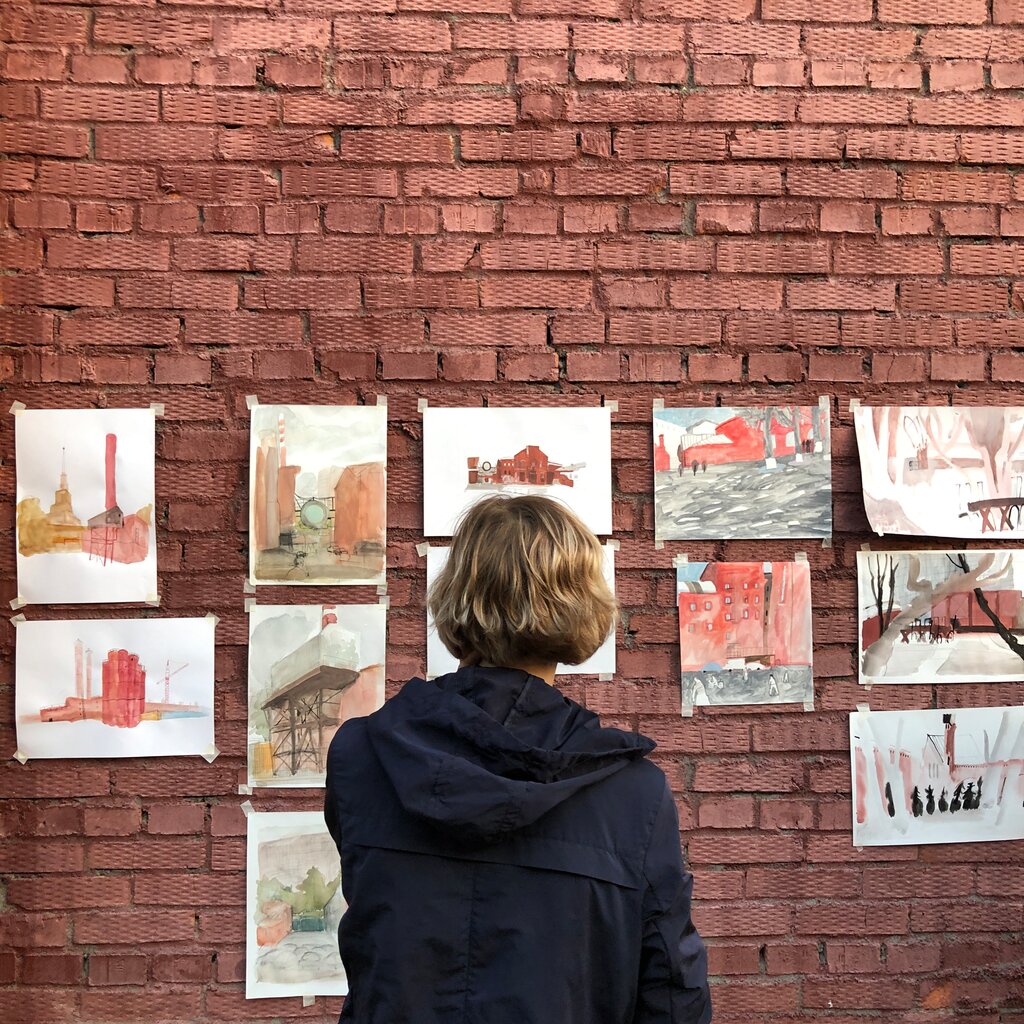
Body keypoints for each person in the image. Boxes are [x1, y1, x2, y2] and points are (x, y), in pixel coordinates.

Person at [325, 494, 711, 1024]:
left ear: (457, 592)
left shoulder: (362, 755)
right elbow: (671, 987)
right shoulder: (633, 794)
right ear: (582, 603)